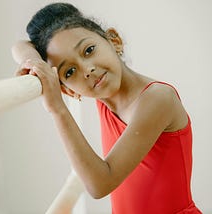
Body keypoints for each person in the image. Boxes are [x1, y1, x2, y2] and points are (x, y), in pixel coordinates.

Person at [11, 2, 201, 214]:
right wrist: (38, 65)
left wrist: (58, 109)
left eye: (89, 50)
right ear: (69, 90)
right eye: (70, 71)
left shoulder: (157, 99)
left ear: (114, 41)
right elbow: (19, 46)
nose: (87, 69)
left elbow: (100, 184)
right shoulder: (104, 94)